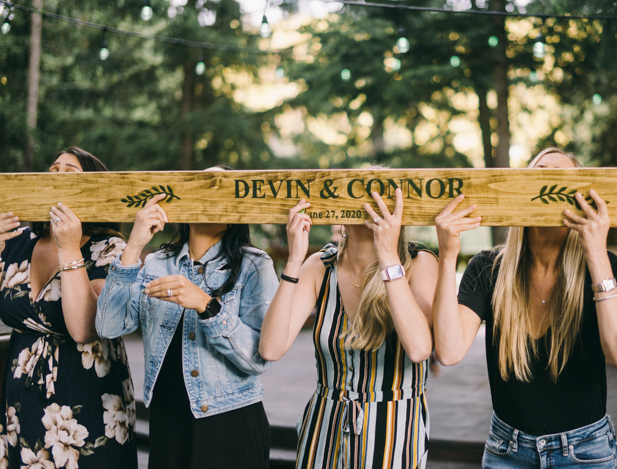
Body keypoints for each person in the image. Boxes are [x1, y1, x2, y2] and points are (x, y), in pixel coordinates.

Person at [433, 147, 617, 469]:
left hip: (585, 452)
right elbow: (449, 350)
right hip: (506, 451)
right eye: (540, 171)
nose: (548, 181)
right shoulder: (488, 269)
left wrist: (595, 252)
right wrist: (447, 255)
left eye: (561, 176)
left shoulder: (603, 266)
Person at [95, 167, 279, 469]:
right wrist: (134, 246)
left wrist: (206, 305)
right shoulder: (156, 263)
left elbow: (258, 360)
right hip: (168, 421)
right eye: (198, 187)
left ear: (234, 210)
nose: (205, 195)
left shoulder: (253, 265)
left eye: (216, 189)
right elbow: (108, 325)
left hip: (229, 421)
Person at [259, 189, 439, 469]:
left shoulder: (418, 262)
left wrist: (388, 257)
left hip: (394, 432)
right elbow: (270, 348)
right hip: (324, 429)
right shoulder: (320, 265)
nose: (366, 205)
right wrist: (295, 259)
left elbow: (419, 349)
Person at [0, 147, 136, 469]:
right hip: (20, 399)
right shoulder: (18, 240)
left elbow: (84, 328)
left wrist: (69, 248)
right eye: (53, 169)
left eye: (70, 172)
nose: (58, 176)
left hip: (86, 396)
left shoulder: (111, 249)